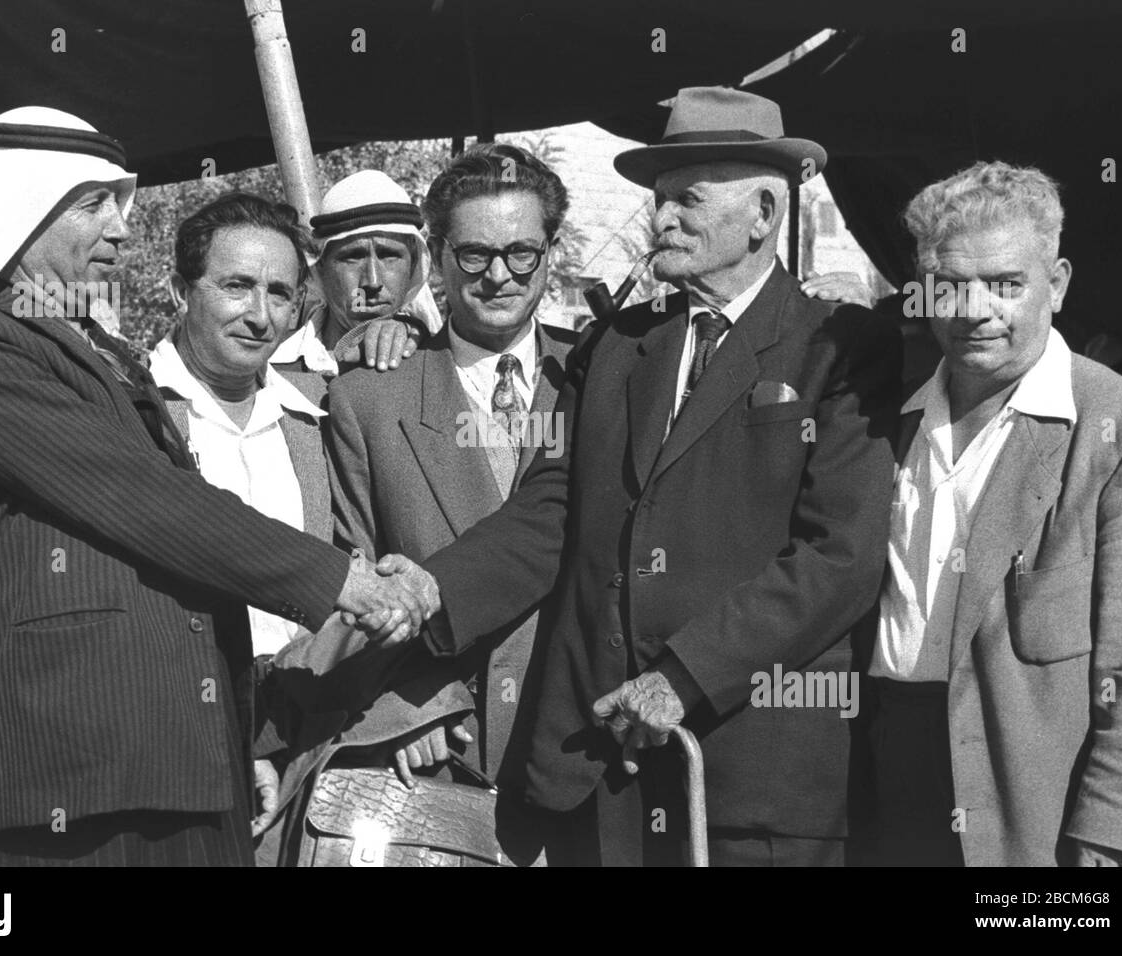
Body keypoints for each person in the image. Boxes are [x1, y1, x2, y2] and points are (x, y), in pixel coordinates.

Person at [0, 106, 426, 865]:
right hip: (65, 781)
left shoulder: (101, 350)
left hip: (178, 772)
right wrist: (341, 581)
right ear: (21, 212)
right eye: (93, 205)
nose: (121, 230)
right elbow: (147, 500)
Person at [384, 87, 903, 865]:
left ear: (763, 214)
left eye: (687, 201)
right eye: (659, 200)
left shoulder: (838, 347)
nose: (659, 220)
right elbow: (556, 506)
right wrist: (433, 589)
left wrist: (685, 677)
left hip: (751, 785)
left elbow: (840, 559)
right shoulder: (621, 345)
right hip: (602, 775)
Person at [855, 161, 1122, 866]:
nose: (976, 311)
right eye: (952, 286)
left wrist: (1112, 840)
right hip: (888, 775)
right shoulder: (882, 416)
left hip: (1033, 806)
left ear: (1055, 285)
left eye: (1005, 285)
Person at [322, 144, 576, 864]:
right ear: (435, 255)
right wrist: (413, 704)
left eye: (523, 253)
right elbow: (350, 578)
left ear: (551, 253)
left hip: (574, 760)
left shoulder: (604, 380)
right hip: (435, 764)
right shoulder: (369, 398)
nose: (498, 276)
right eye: (473, 255)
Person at [272, 169, 442, 375]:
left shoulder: (436, 366)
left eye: (389, 255)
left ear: (414, 265)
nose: (372, 282)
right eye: (353, 256)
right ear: (319, 267)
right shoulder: (272, 374)